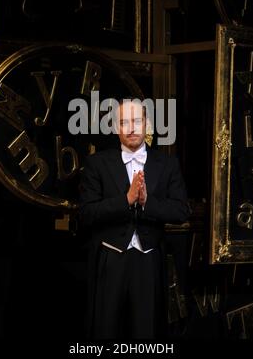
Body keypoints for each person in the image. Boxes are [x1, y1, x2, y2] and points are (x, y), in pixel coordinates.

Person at [79, 98, 189, 339]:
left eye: (137, 121)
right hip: (110, 258)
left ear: (147, 124)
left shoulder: (168, 163)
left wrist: (147, 203)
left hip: (149, 260)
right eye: (124, 122)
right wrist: (126, 200)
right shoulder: (97, 163)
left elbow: (181, 211)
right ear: (115, 127)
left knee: (146, 331)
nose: (131, 128)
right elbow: (86, 213)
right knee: (105, 330)